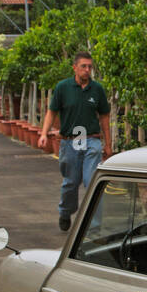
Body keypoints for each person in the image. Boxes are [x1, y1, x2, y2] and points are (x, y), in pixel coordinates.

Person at [38, 51, 112, 231]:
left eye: (90, 67)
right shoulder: (63, 88)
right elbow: (52, 112)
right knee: (71, 182)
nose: (87, 70)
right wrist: (43, 133)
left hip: (91, 140)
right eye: (83, 66)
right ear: (75, 68)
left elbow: (104, 117)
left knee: (92, 181)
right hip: (70, 141)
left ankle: (94, 227)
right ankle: (65, 211)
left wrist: (108, 144)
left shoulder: (97, 89)